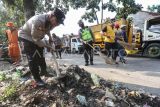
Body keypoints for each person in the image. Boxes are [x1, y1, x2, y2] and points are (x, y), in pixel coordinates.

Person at [18, 7, 65, 86]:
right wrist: (48, 46)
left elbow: (47, 30)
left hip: (35, 37)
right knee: (33, 57)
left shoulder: (50, 21)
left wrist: (50, 38)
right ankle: (37, 79)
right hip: (26, 36)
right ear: (51, 16)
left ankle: (44, 71)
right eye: (57, 21)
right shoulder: (38, 21)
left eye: (59, 23)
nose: (57, 24)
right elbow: (36, 40)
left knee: (41, 55)